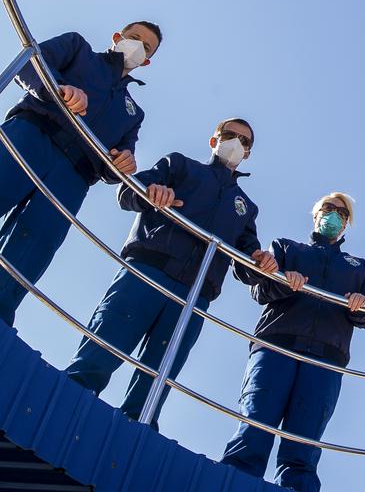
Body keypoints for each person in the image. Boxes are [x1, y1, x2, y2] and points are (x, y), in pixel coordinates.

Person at [0, 23, 161, 325]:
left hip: (74, 177)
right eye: (134, 38)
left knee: (31, 250)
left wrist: (124, 162)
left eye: (146, 48)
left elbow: (119, 159)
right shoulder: (78, 48)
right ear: (117, 37)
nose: (138, 46)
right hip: (30, 136)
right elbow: (31, 64)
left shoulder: (133, 113)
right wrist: (56, 89)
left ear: (147, 61)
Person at [64, 117, 277, 425]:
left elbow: (247, 261)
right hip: (148, 272)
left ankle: (138, 427)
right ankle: (70, 398)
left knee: (159, 373)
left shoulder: (245, 206)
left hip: (194, 296)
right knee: (105, 345)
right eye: (230, 135)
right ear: (213, 140)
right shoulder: (179, 165)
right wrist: (151, 192)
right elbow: (127, 193)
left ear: (247, 154)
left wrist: (261, 261)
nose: (236, 143)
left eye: (244, 142)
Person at [221, 192, 365, 491]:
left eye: (342, 213)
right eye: (329, 209)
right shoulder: (286, 247)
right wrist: (284, 282)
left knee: (303, 447)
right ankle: (231, 485)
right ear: (316, 213)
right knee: (254, 427)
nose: (334, 216)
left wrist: (363, 304)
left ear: (346, 225)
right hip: (275, 348)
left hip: (326, 359)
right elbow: (260, 291)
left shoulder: (359, 267)